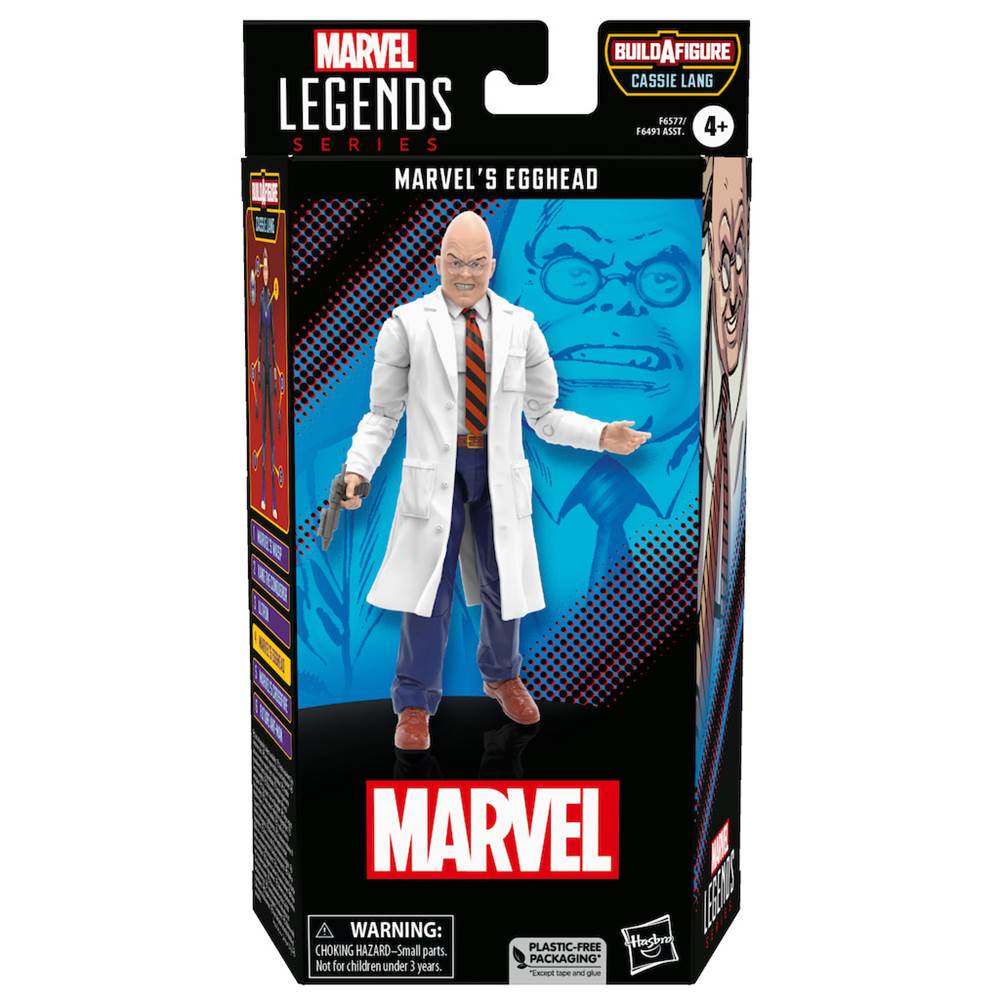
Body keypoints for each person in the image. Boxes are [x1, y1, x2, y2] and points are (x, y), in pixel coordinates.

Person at [337, 210, 651, 750]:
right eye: (455, 262)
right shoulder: (406, 325)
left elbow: (545, 415)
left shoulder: (520, 325)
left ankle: (503, 675)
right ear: (439, 262)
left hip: (498, 469)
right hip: (436, 471)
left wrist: (601, 435)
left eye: (477, 263)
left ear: (493, 264)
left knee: (504, 578)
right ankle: (413, 702)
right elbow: (383, 414)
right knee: (429, 587)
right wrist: (357, 469)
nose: (466, 274)